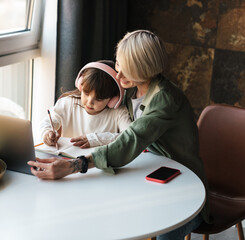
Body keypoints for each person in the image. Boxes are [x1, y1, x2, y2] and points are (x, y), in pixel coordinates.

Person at [28, 30, 210, 239]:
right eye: (118, 65)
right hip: (148, 172)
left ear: (146, 71)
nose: (119, 76)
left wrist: (75, 165)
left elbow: (131, 139)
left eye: (128, 72)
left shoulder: (165, 100)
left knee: (158, 232)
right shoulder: (130, 90)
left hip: (183, 185)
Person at [40, 60, 131, 148]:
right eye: (86, 93)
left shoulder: (119, 112)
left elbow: (130, 137)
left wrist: (96, 139)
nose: (89, 102)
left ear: (113, 99)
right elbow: (47, 122)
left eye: (98, 99)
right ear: (80, 85)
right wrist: (46, 133)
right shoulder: (68, 103)